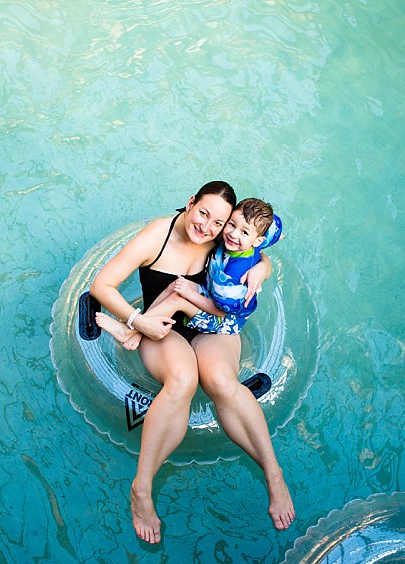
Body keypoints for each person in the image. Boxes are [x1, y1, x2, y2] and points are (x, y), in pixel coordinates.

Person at [89, 182, 295, 544]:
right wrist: (138, 322)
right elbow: (101, 285)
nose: (208, 228)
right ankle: (142, 487)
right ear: (190, 203)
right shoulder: (159, 234)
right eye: (203, 213)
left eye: (219, 223)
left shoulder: (222, 235)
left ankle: (273, 474)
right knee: (182, 380)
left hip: (210, 325)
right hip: (162, 328)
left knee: (220, 381)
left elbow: (254, 246)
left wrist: (263, 268)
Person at [96, 198, 282, 350]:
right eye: (231, 225)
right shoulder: (244, 239)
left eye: (243, 232)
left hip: (223, 321)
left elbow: (219, 310)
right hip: (212, 294)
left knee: (179, 294)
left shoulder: (233, 277)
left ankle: (131, 330)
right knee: (176, 285)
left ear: (257, 240)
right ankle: (139, 325)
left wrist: (189, 294)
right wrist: (264, 264)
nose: (234, 234)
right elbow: (274, 233)